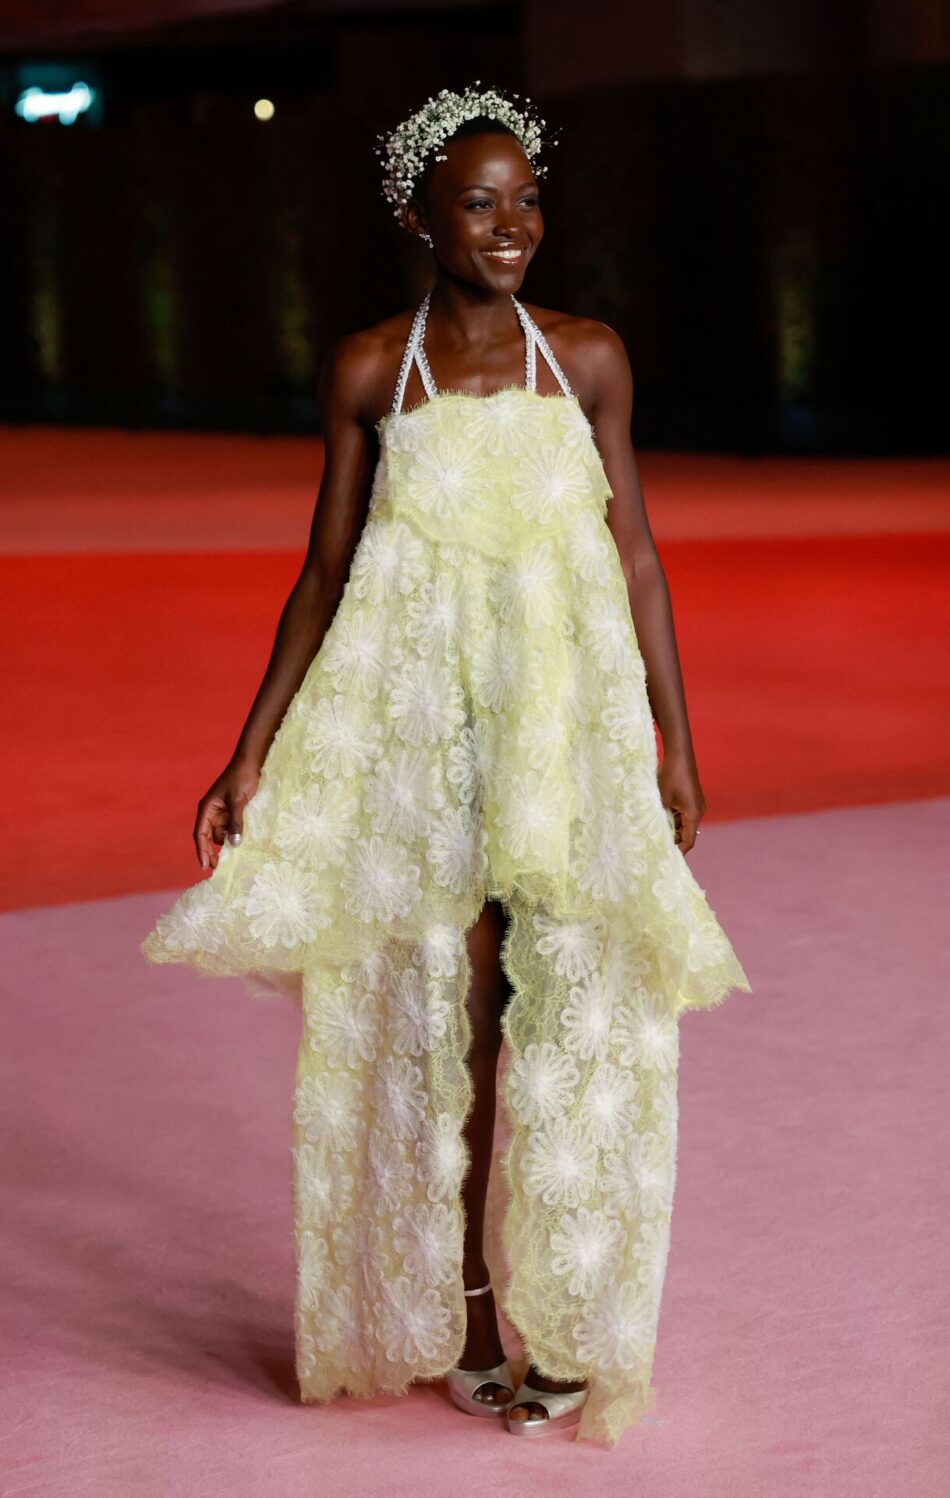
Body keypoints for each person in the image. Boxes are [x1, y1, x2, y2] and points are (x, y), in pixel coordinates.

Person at [142, 82, 751, 1447]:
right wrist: (249, 755)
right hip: (423, 740)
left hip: (563, 736)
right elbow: (322, 571)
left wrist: (675, 737)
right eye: (478, 202)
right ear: (418, 211)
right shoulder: (373, 368)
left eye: (526, 198)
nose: (510, 224)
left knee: (571, 1009)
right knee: (446, 1016)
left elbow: (637, 556)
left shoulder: (586, 357)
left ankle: (563, 1316)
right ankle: (469, 1315)